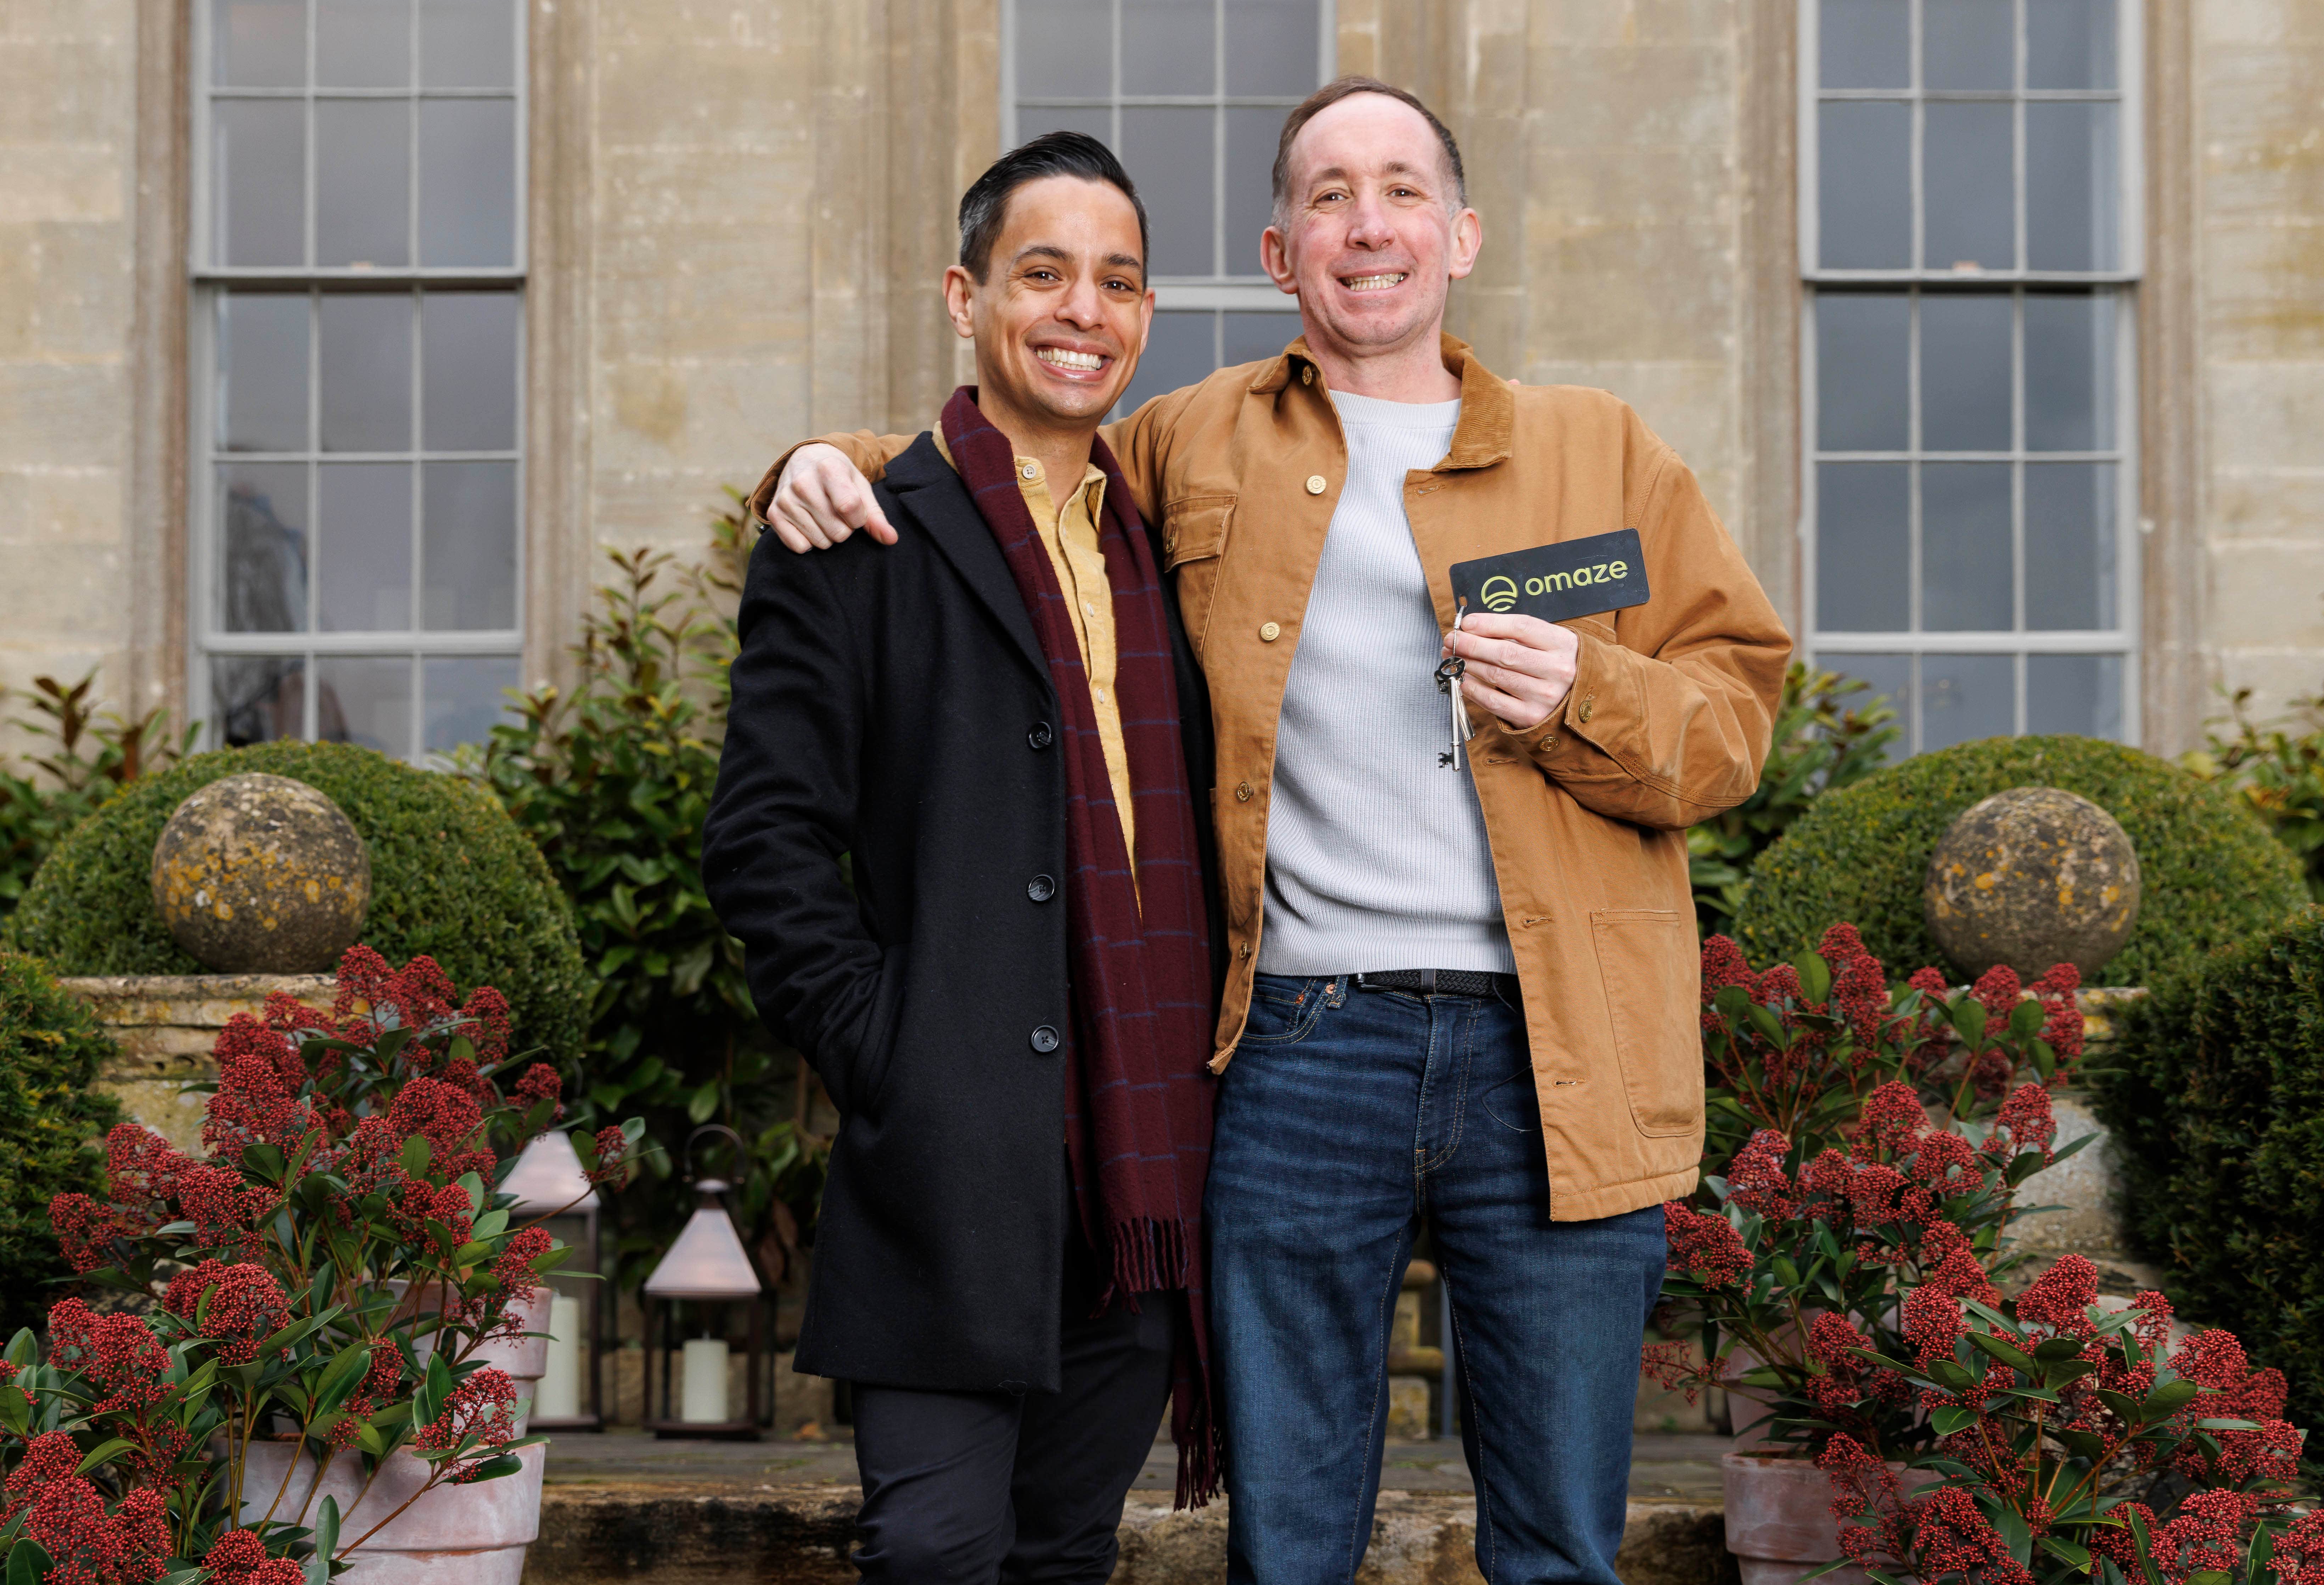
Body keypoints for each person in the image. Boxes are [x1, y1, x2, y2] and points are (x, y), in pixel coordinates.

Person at [754, 78, 1793, 1585]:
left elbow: (1734, 717)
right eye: (1327, 195)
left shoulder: (1601, 455)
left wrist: (1590, 686)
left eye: (1398, 189)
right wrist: (819, 458)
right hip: (1302, 1050)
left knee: (1562, 1543)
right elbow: (1005, 456)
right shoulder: (1192, 441)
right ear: (1277, 249)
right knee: (1290, 1545)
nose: (1366, 223)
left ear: (1462, 233)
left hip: (1560, 1053)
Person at [702, 131, 1223, 1584]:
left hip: (1146, 1156)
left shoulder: (1169, 536)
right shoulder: (860, 535)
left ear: (1147, 315)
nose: (1081, 309)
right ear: (964, 292)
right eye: (1042, 272)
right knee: (933, 1549)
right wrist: (897, 1054)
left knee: (1064, 1554)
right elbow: (765, 844)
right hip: (952, 1159)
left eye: (1116, 281)